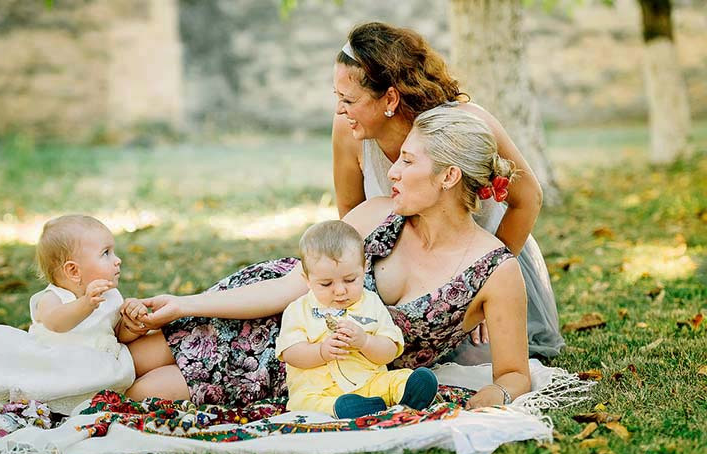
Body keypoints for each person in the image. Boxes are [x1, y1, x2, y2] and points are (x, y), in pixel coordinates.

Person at [123, 105, 531, 410]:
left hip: (310, 372)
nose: (392, 171)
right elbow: (289, 287)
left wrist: (494, 397)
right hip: (270, 317)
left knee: (139, 391)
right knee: (123, 360)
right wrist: (184, 305)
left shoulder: (495, 271)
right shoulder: (378, 214)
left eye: (408, 161)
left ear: (449, 176)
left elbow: (514, 374)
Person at [331, 21, 564, 362]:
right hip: (404, 266)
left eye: (349, 99)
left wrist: (479, 283)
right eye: (338, 97)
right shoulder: (348, 130)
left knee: (473, 362)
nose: (339, 109)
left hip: (484, 255)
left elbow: (528, 198)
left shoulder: (463, 125)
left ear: (390, 98)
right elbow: (351, 212)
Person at [0, 215, 140, 437]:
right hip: (54, 366)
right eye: (106, 253)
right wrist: (85, 304)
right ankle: (0, 412)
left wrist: (130, 325)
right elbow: (56, 323)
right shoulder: (53, 298)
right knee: (32, 396)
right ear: (73, 270)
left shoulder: (109, 295)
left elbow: (115, 331)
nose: (117, 260)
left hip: (95, 368)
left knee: (57, 409)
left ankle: (14, 419)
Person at [276, 220, 438, 418]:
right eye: (326, 284)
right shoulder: (298, 310)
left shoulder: (371, 303)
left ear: (363, 269)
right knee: (305, 402)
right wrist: (321, 351)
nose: (340, 290)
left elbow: (389, 350)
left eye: (350, 280)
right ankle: (342, 409)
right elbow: (291, 353)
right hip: (319, 390)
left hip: (369, 382)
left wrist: (365, 341)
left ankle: (408, 393)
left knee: (395, 379)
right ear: (307, 280)